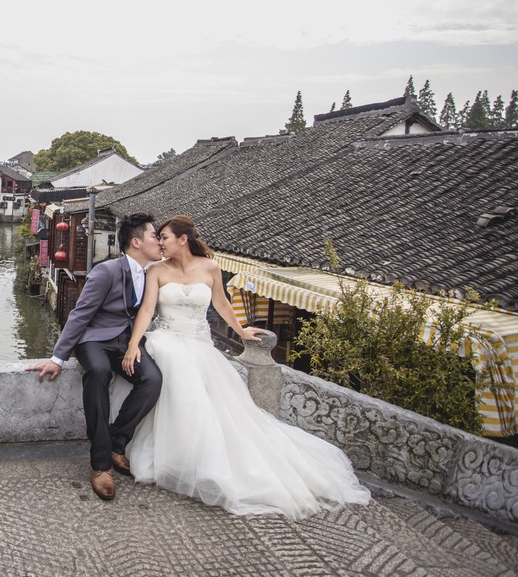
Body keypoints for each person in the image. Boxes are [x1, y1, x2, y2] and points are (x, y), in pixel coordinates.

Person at [121, 214, 371, 518]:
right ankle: (176, 459)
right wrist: (134, 344)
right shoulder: (156, 270)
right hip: (167, 340)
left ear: (182, 240)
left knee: (211, 406)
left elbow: (222, 304)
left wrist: (241, 332)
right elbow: (147, 309)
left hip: (199, 345)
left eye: (165, 238)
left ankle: (206, 463)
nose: (160, 243)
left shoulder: (211, 268)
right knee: (176, 388)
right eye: (158, 238)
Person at [27, 213, 164, 501]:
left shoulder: (152, 272)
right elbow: (80, 314)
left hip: (126, 342)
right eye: (155, 236)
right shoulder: (107, 271)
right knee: (99, 373)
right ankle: (100, 464)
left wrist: (134, 343)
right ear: (136, 242)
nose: (160, 241)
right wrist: (57, 357)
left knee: (152, 379)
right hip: (95, 340)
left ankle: (116, 442)